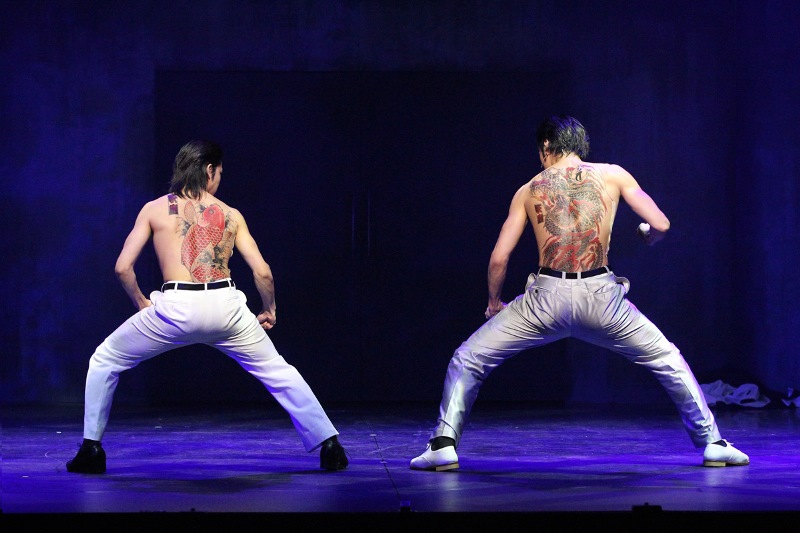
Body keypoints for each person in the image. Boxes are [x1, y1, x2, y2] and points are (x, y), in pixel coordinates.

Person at [410, 115, 748, 471]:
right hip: (602, 299)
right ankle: (713, 443)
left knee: (468, 358)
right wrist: (650, 236)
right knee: (668, 359)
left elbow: (499, 259)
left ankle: (443, 445)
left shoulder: (528, 190)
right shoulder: (614, 175)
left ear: (546, 146)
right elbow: (661, 224)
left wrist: (494, 303)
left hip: (545, 300)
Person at [66, 140, 348, 473]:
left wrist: (142, 302)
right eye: (220, 173)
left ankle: (92, 449)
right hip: (227, 308)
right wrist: (269, 308)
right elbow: (262, 272)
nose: (219, 180)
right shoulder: (231, 215)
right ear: (209, 169)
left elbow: (122, 268)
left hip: (176, 308)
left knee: (105, 358)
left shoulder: (154, 209)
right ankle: (330, 444)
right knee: (278, 370)